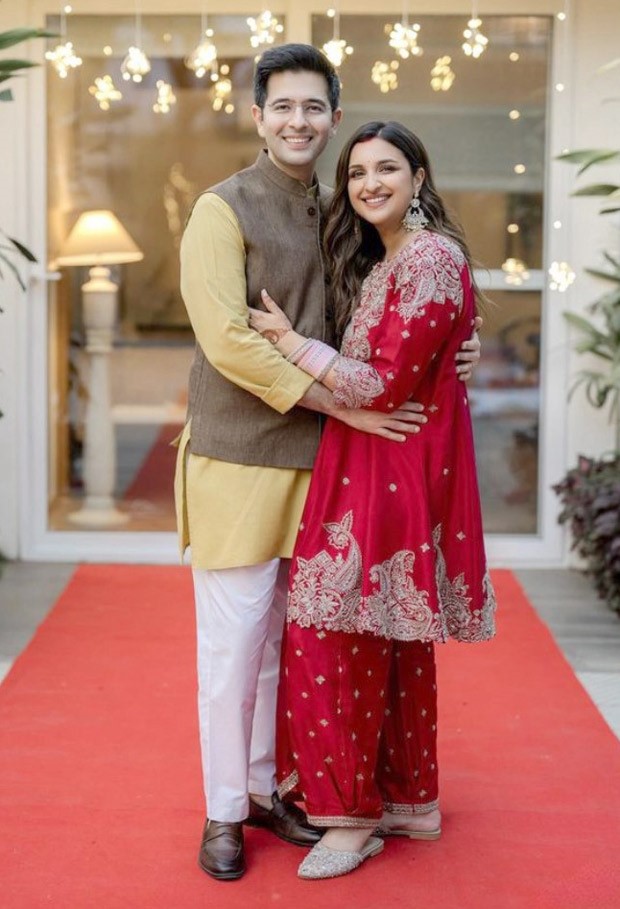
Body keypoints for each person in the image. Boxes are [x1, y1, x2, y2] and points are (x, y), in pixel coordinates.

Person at [175, 45, 481, 883]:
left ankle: (274, 787)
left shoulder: (343, 207)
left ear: (333, 118)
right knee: (233, 646)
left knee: (289, 645)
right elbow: (228, 340)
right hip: (244, 455)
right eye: (283, 106)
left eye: (314, 108)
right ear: (259, 114)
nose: (298, 121)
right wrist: (342, 403)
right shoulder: (221, 208)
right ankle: (223, 812)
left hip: (331, 467)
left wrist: (462, 343)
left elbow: (388, 318)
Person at [248, 120, 497, 881]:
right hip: (382, 462)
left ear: (420, 178)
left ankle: (349, 817)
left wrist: (290, 343)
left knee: (333, 640)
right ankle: (409, 799)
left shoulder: (426, 257)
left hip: (385, 467)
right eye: (357, 172)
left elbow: (380, 384)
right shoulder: (393, 258)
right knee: (388, 635)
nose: (369, 183)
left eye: (388, 168)